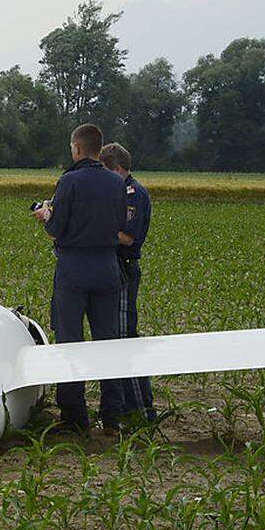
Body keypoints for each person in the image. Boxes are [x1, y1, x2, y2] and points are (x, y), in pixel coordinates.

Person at [32, 123, 127, 435]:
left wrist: (47, 215)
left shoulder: (69, 180)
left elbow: (57, 228)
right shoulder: (116, 182)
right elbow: (118, 221)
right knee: (108, 342)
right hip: (108, 265)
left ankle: (75, 416)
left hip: (74, 267)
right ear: (99, 149)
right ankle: (112, 415)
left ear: (76, 147)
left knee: (70, 341)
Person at [99, 142, 156, 422]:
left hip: (124, 268)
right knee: (112, 339)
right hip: (111, 268)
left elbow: (128, 237)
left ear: (118, 169)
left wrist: (90, 228)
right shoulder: (119, 190)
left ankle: (141, 410)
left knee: (124, 339)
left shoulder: (133, 194)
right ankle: (123, 407)